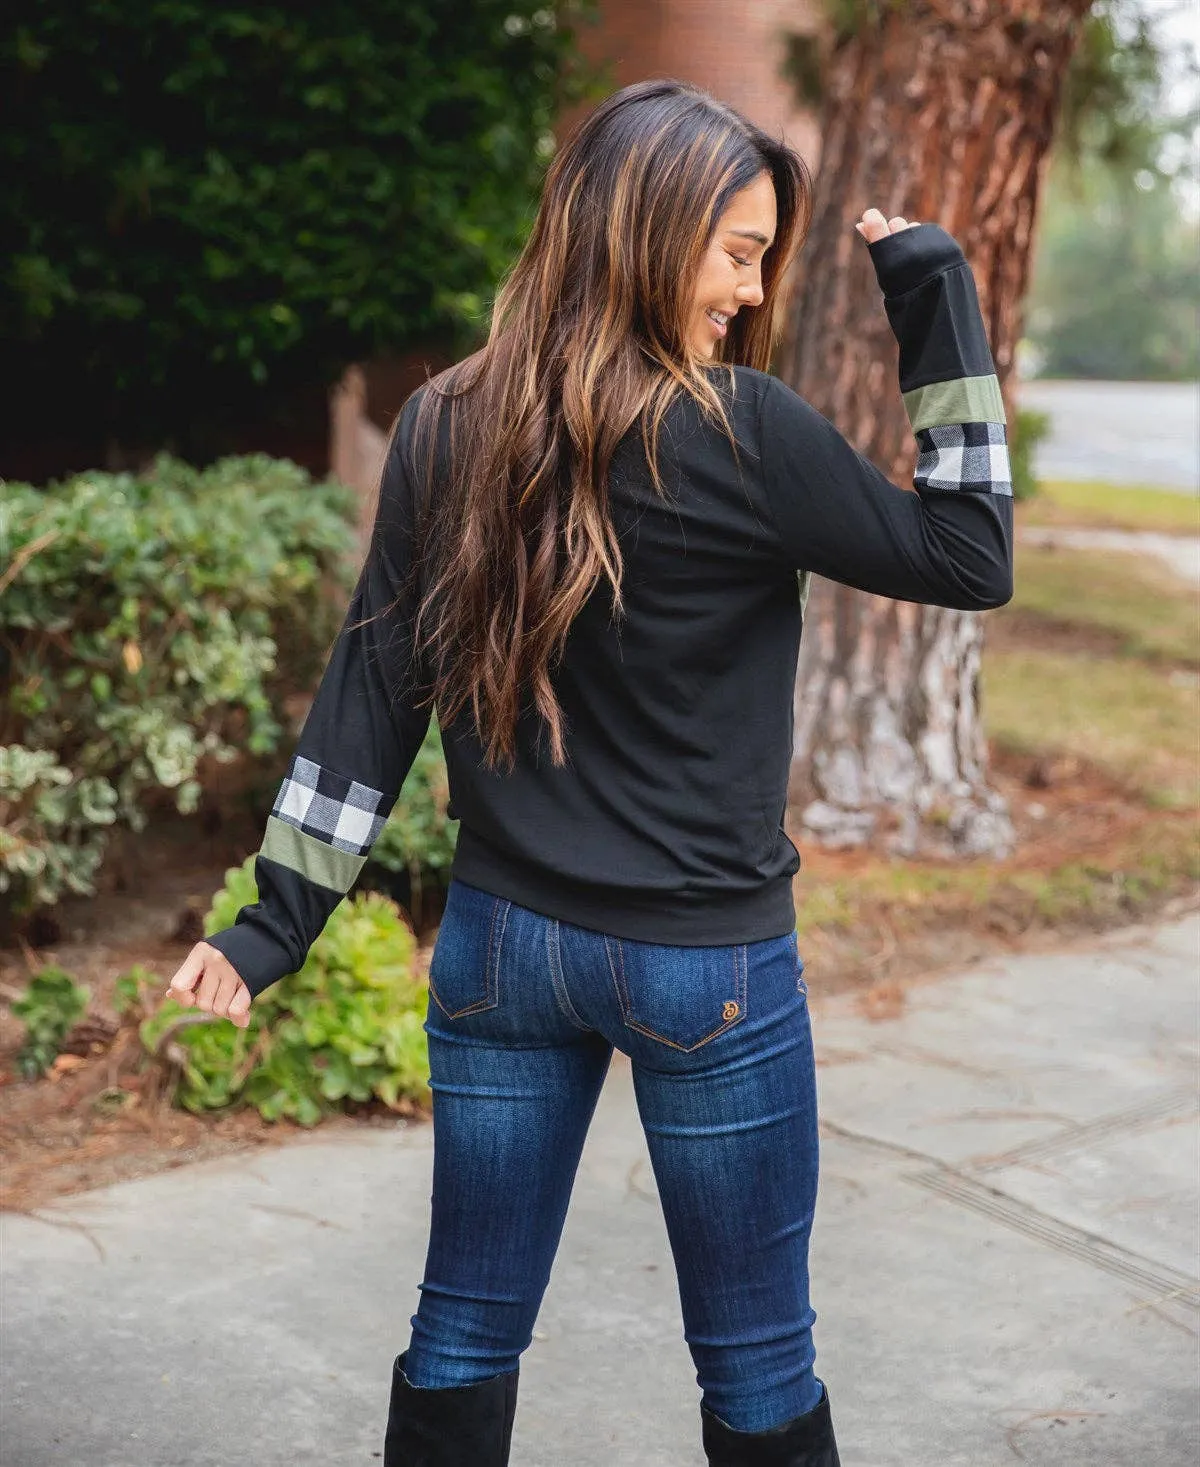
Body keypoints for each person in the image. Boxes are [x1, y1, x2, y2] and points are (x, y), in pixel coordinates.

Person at [166, 78, 1013, 1467]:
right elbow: (972, 551)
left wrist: (272, 924)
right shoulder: (748, 433)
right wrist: (932, 294)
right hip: (704, 971)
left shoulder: (447, 420)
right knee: (755, 1358)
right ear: (646, 232)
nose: (749, 291)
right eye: (737, 253)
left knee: (461, 1330)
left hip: (504, 954)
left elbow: (373, 692)